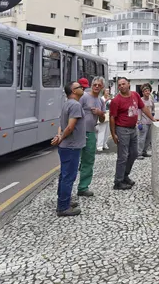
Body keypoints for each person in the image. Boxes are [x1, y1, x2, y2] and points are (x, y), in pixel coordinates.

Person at [110, 77, 159, 190]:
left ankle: (125, 176)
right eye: (119, 85)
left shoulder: (135, 95)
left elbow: (143, 108)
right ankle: (118, 181)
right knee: (122, 156)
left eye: (123, 84)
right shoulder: (116, 100)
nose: (121, 86)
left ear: (129, 84)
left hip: (133, 129)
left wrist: (152, 119)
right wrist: (113, 134)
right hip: (122, 130)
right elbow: (112, 118)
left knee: (134, 153)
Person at [51, 82, 85, 217]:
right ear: (73, 91)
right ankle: (63, 207)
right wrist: (61, 137)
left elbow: (61, 124)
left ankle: (63, 200)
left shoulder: (67, 104)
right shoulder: (75, 105)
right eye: (79, 87)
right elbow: (70, 127)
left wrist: (59, 137)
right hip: (71, 146)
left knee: (64, 175)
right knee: (68, 177)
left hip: (66, 146)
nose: (82, 88)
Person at [77, 76, 106, 197]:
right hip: (78, 132)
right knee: (74, 160)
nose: (97, 87)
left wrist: (100, 113)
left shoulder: (101, 101)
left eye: (99, 85)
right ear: (91, 85)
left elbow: (103, 119)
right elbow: (75, 111)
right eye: (95, 84)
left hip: (91, 132)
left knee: (88, 161)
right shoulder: (83, 97)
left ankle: (83, 187)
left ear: (102, 87)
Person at [137, 83, 155, 159]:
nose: (147, 92)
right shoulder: (140, 100)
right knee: (141, 138)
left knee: (148, 138)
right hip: (143, 122)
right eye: (145, 91)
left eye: (148, 91)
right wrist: (139, 122)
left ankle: (144, 151)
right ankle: (138, 153)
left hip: (150, 122)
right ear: (143, 92)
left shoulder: (151, 100)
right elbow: (138, 112)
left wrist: (153, 114)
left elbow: (153, 109)